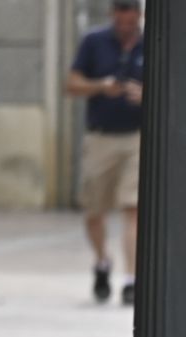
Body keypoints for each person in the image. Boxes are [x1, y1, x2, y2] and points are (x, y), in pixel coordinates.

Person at [66, 0, 143, 306]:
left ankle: (130, 279)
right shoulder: (94, 42)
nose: (125, 25)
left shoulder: (153, 43)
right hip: (100, 137)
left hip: (137, 136)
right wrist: (101, 86)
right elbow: (71, 84)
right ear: (112, 16)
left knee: (132, 207)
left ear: (138, 16)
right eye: (119, 19)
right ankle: (102, 261)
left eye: (130, 19)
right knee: (94, 210)